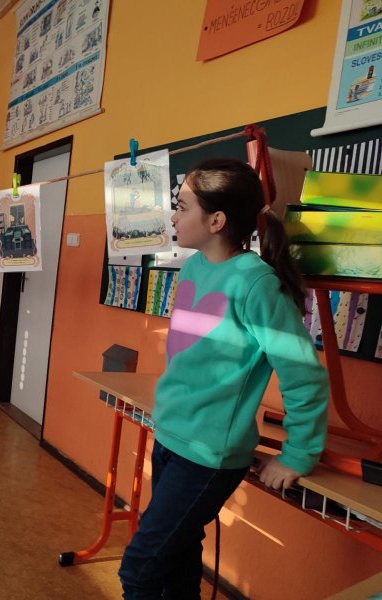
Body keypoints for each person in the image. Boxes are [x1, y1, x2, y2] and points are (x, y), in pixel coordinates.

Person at [118, 158, 329, 599]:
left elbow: (304, 374)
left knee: (138, 569)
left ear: (216, 221)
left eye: (182, 207)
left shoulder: (256, 284)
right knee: (176, 562)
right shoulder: (195, 267)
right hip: (170, 436)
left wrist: (297, 454)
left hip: (207, 455)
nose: (173, 217)